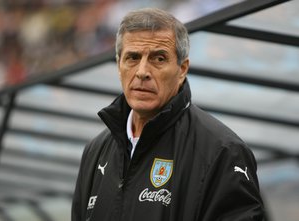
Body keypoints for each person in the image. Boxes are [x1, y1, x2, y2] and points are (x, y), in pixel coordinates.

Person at [72, 8, 265, 221]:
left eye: (159, 58)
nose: (142, 71)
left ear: (182, 69)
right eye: (133, 58)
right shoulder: (96, 151)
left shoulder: (223, 151)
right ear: (119, 65)